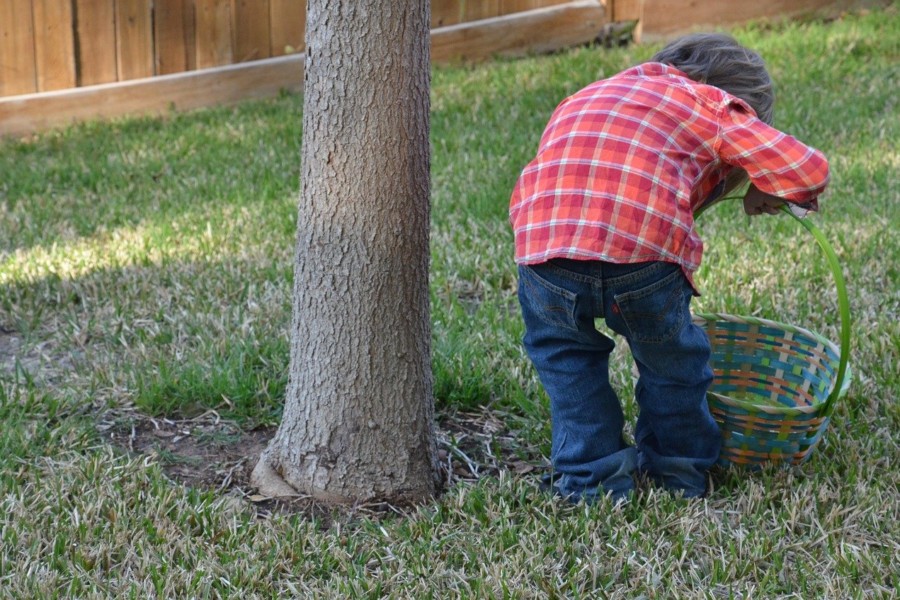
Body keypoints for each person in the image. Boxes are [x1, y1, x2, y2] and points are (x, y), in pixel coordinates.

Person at [509, 33, 830, 502]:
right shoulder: (711, 103)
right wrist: (766, 180)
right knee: (673, 364)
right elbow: (809, 168)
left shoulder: (591, 92)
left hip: (544, 246)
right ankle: (676, 474)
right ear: (738, 100)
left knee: (567, 363)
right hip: (642, 255)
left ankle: (588, 481)